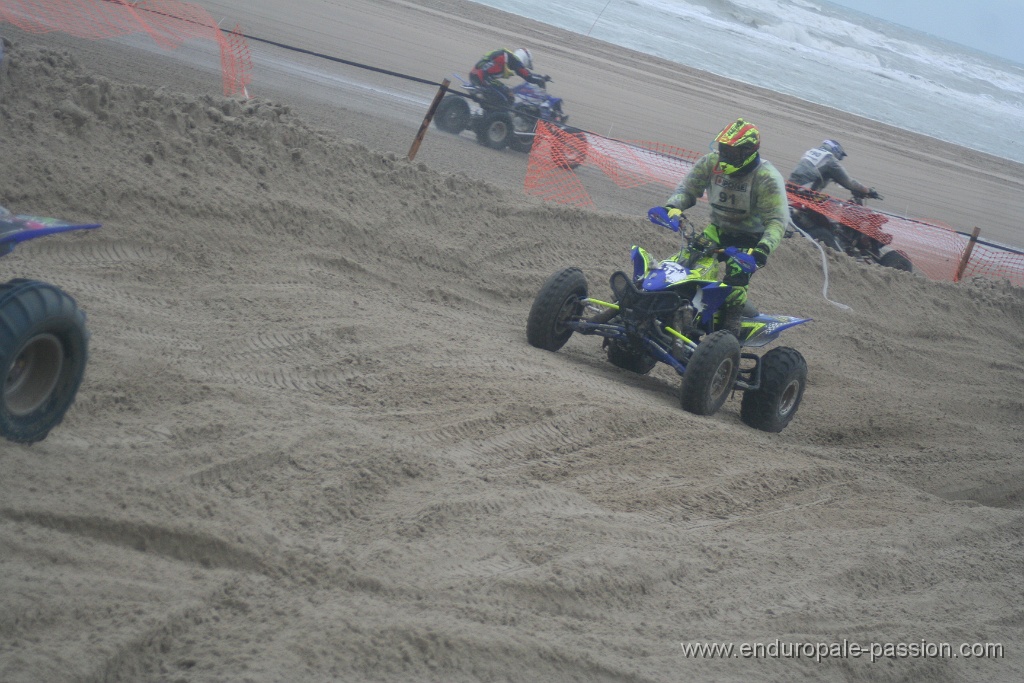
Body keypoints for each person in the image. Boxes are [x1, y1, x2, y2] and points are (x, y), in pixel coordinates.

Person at [658, 118, 789, 338]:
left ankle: (731, 329)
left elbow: (776, 221)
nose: (725, 155)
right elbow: (687, 190)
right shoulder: (711, 163)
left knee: (736, 281)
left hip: (751, 240)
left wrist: (762, 250)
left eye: (732, 151)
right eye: (723, 148)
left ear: (748, 151)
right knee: (685, 263)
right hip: (717, 231)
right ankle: (671, 305)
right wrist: (673, 207)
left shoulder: (767, 177)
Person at [788, 139, 879, 198]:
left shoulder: (812, 151)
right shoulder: (830, 160)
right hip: (805, 192)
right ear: (836, 150)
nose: (840, 159)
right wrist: (868, 190)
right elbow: (849, 183)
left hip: (791, 185)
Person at [469, 48, 548, 108]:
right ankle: (500, 119)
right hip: (484, 79)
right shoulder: (514, 60)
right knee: (509, 96)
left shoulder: (505, 55)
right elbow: (528, 76)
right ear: (525, 58)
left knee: (498, 94)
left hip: (474, 76)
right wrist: (541, 79)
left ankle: (487, 111)